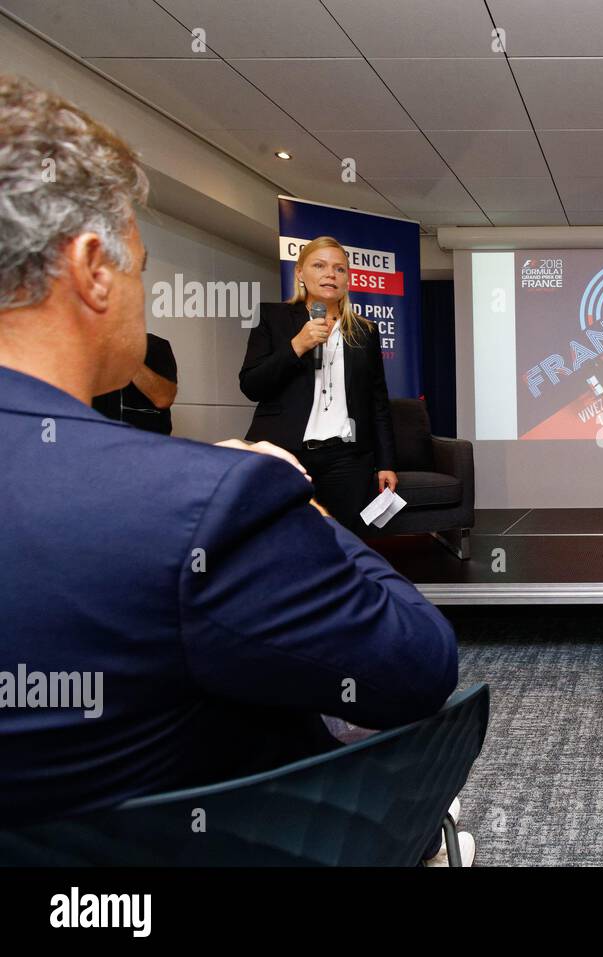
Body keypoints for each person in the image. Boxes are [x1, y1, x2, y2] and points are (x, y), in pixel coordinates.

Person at [0, 73, 459, 832]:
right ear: (90, 269)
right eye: (143, 267)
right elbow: (418, 666)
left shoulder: (360, 334)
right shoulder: (209, 502)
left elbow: (377, 402)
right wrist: (285, 502)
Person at [239, 238, 398, 536]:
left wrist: (386, 462)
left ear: (347, 279)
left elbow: (378, 401)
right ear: (300, 273)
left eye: (339, 269)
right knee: (284, 539)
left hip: (347, 458)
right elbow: (251, 385)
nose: (330, 274)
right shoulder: (272, 318)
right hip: (286, 454)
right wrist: (297, 346)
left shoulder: (364, 330)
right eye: (319, 265)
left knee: (345, 542)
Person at [91, 331, 177, 434]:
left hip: (144, 443)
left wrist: (122, 352)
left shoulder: (153, 345)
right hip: (98, 441)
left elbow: (163, 398)